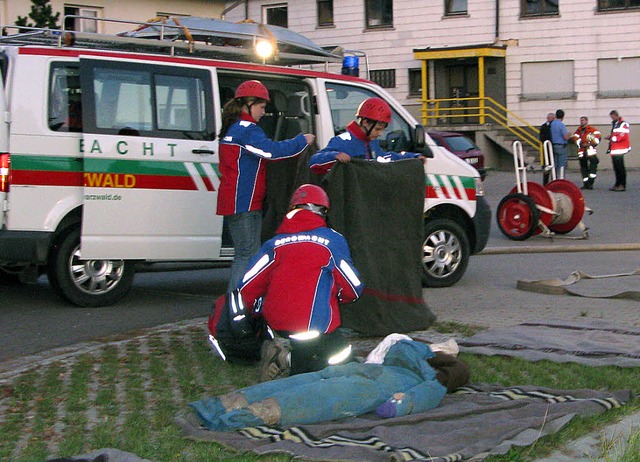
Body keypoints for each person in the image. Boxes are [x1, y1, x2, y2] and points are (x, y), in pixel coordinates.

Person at [230, 184, 363, 381]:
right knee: (336, 365)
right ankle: (287, 360)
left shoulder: (274, 244)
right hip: (313, 327)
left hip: (277, 325)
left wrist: (254, 315)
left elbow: (246, 286)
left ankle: (284, 352)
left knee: (333, 352)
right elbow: (353, 287)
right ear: (323, 211)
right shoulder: (332, 241)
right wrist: (339, 297)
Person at [189, 339, 470, 432]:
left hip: (364, 370)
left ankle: (224, 403)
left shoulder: (409, 351)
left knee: (307, 381)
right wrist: (397, 405)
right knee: (316, 396)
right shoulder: (429, 378)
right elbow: (421, 396)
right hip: (375, 384)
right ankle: (248, 415)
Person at [217, 80, 315, 291]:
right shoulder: (247, 129)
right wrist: (301, 141)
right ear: (249, 103)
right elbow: (270, 151)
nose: (263, 113)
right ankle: (238, 307)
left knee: (244, 254)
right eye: (261, 107)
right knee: (247, 256)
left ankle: (237, 306)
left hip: (237, 201)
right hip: (244, 203)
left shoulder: (235, 127)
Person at [308, 97, 423, 174]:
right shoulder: (342, 141)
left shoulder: (372, 142)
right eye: (377, 129)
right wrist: (334, 156)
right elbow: (314, 161)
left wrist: (412, 157)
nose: (380, 134)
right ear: (365, 122)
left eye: (382, 130)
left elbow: (383, 158)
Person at [570, 116, 602, 190]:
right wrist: (580, 143)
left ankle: (590, 182)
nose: (581, 122)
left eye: (583, 120)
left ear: (587, 121)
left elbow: (598, 137)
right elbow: (575, 137)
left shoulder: (591, 130)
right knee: (583, 168)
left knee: (593, 166)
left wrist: (589, 144)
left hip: (590, 151)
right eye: (581, 120)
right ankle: (586, 183)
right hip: (582, 151)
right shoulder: (579, 130)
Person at [605, 110, 630, 192]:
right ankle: (617, 184)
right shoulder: (615, 124)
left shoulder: (623, 124)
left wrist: (612, 138)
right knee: (616, 168)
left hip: (620, 149)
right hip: (615, 149)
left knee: (620, 168)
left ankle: (622, 185)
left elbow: (622, 136)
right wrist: (611, 137)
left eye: (612, 117)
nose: (612, 118)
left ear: (616, 115)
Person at [550, 109, 571, 179]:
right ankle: (561, 179)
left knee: (555, 164)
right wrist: (569, 135)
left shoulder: (552, 124)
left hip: (553, 145)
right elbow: (565, 137)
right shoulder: (561, 125)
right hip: (561, 145)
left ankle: (554, 178)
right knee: (562, 165)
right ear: (563, 117)